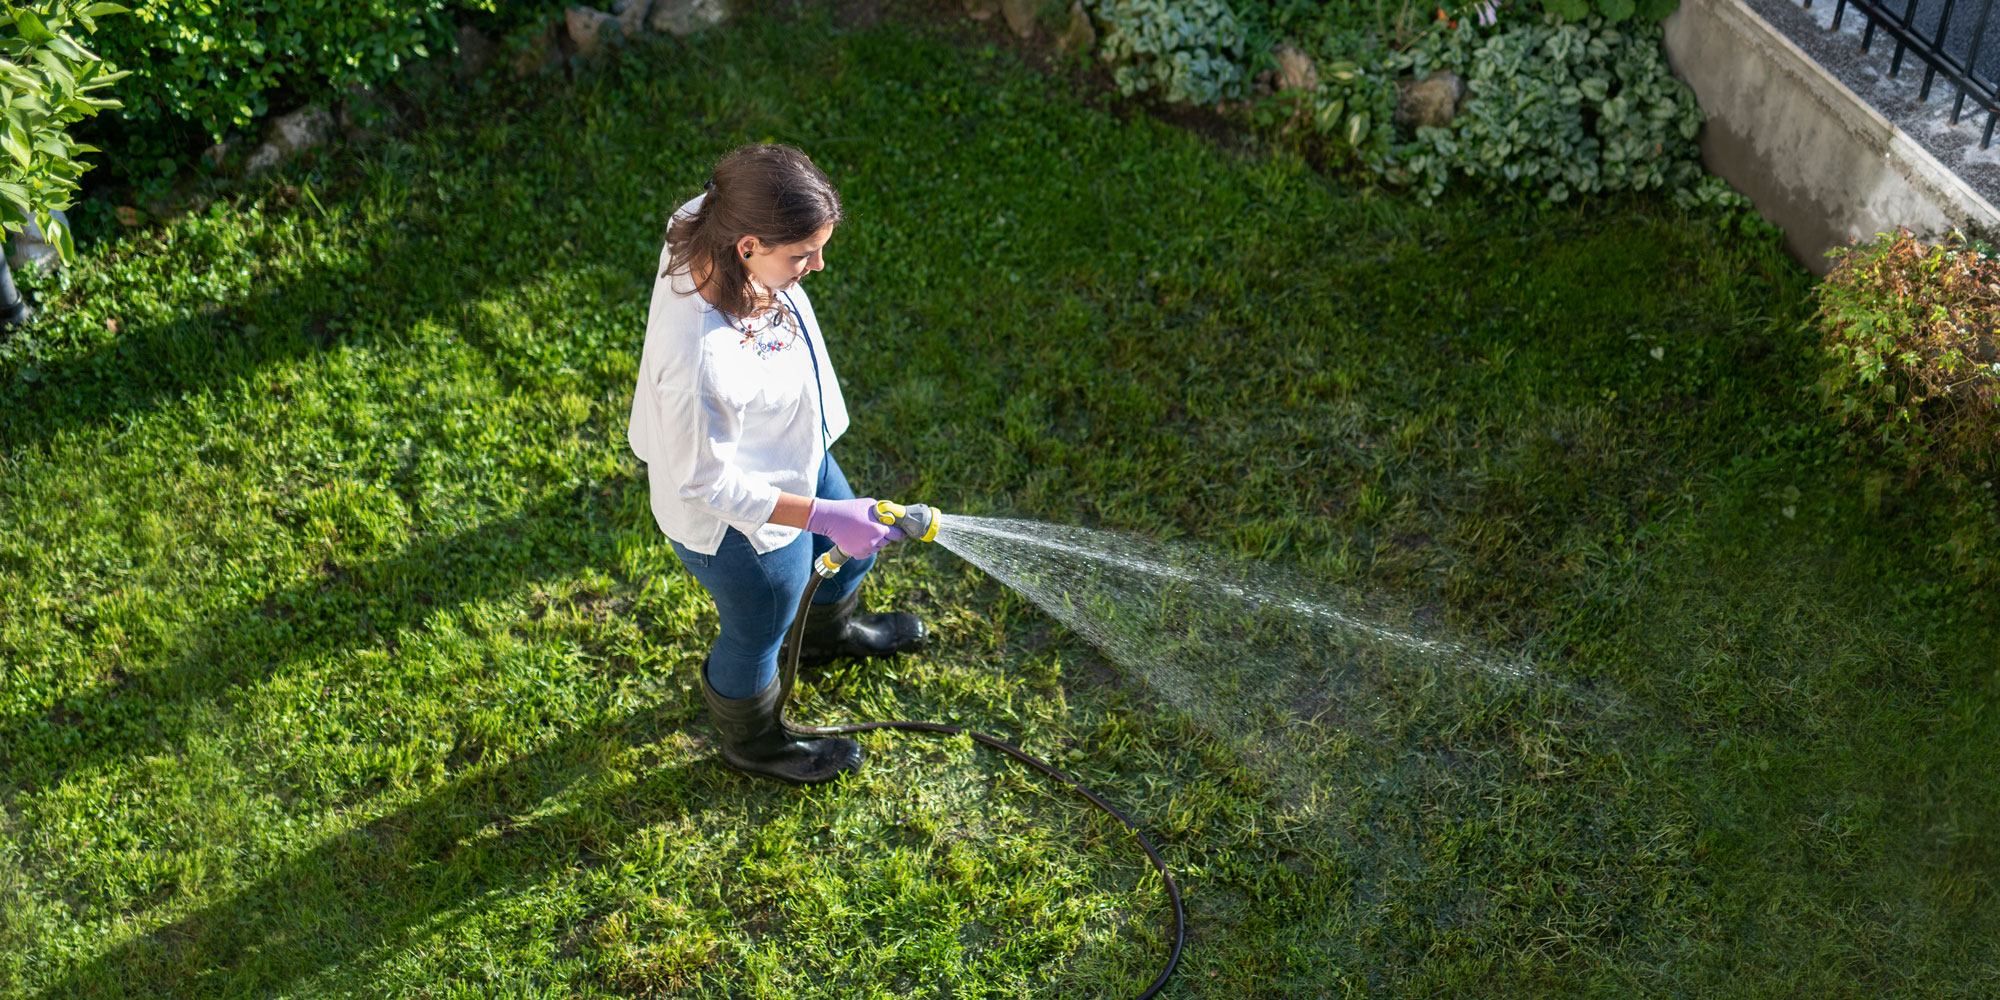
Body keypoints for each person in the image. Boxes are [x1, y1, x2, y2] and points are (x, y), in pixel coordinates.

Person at [627, 143, 926, 786]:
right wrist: (822, 513)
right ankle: (754, 742)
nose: (818, 266)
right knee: (762, 623)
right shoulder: (698, 359)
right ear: (748, 246)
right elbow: (704, 480)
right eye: (801, 255)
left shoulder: (709, 218)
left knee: (855, 553)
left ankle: (823, 639)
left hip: (790, 452)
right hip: (734, 522)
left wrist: (827, 508)